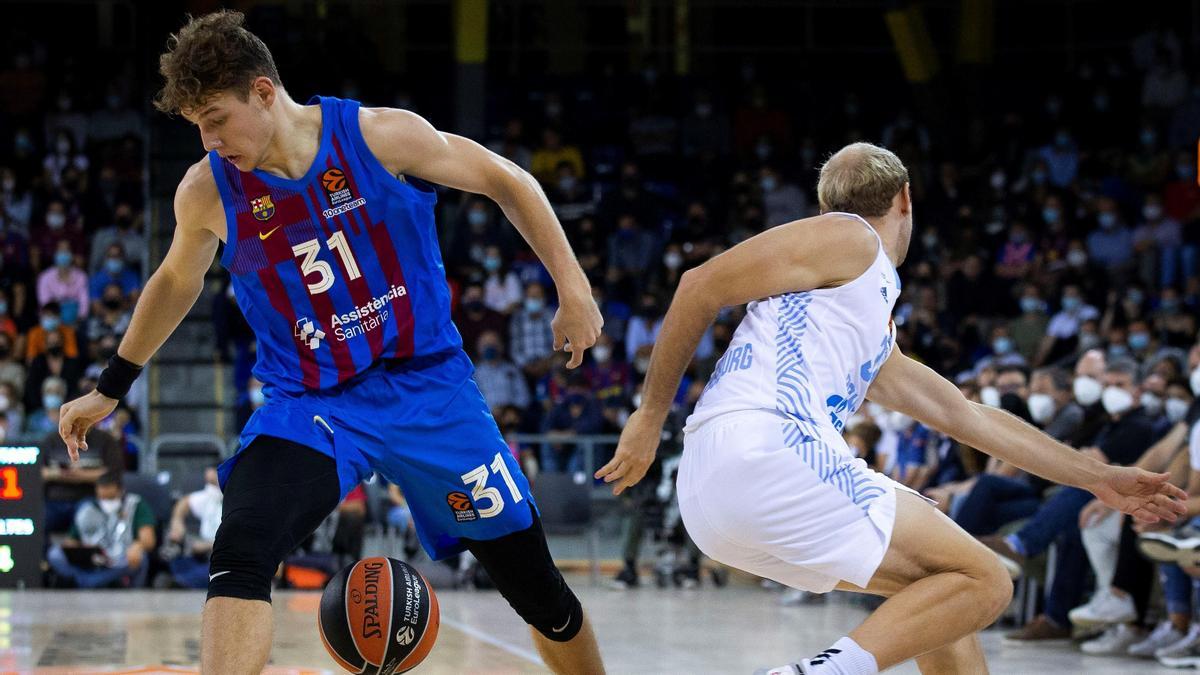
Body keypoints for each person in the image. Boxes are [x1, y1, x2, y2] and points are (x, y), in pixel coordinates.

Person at [57, 11, 604, 675]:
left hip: (429, 387)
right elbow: (175, 281)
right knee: (244, 540)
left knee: (536, 588)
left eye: (216, 118)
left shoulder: (378, 136)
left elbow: (507, 180)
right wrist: (109, 386)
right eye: (197, 126)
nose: (208, 140)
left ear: (263, 91)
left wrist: (572, 286)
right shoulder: (208, 190)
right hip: (315, 403)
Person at [598, 142, 1186, 674]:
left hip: (718, 498)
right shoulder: (852, 236)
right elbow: (699, 286)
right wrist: (650, 416)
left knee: (942, 601)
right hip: (768, 448)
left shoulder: (865, 327)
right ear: (905, 198)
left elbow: (969, 418)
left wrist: (1099, 479)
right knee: (984, 581)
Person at [46, 470, 156, 588]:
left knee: (140, 558)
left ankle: (90, 582)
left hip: (119, 559)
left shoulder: (135, 504)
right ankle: (88, 580)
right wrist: (80, 551)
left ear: (121, 491)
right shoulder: (87, 509)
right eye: (102, 498)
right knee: (55, 554)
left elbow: (149, 540)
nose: (106, 503)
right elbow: (71, 540)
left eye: (110, 498)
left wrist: (137, 546)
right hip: (93, 560)